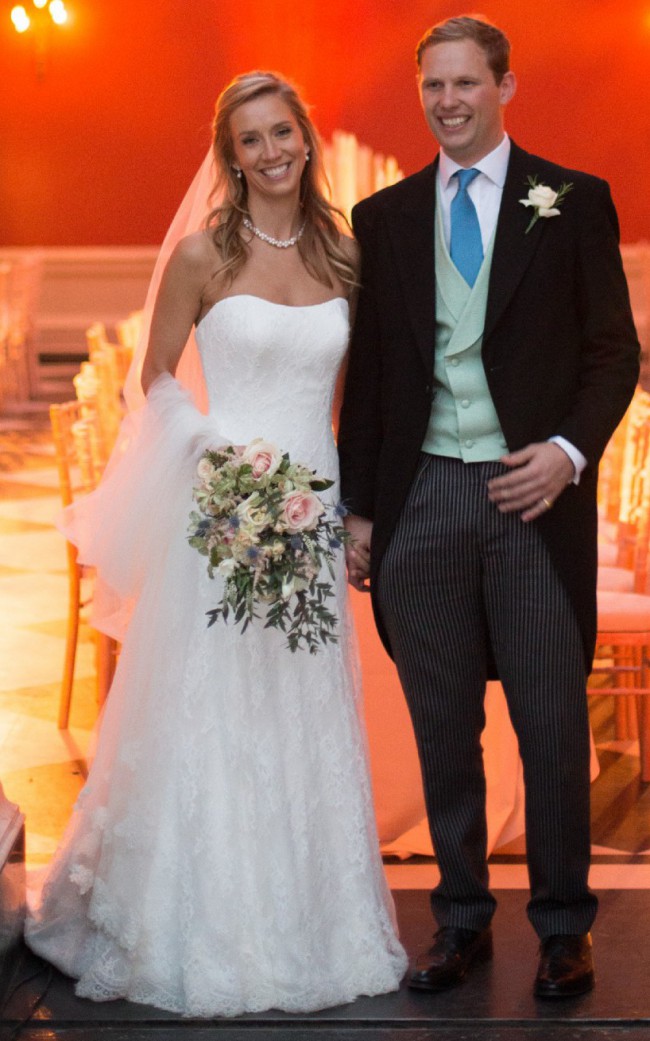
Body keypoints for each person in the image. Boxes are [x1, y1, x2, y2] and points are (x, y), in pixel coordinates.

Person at [25, 71, 407, 1017]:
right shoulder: (203, 253)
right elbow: (153, 380)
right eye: (250, 140)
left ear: (305, 139)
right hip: (222, 511)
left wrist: (353, 509)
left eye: (282, 133)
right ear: (230, 158)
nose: (271, 151)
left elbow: (366, 396)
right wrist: (212, 451)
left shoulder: (346, 254)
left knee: (301, 710)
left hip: (311, 511)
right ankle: (193, 922)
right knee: (214, 708)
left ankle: (310, 925)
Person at [338, 15, 639, 999]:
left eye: (465, 82)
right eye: (433, 85)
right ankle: (460, 917)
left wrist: (564, 454)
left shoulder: (571, 201)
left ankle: (562, 927)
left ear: (504, 87)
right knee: (441, 724)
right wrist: (359, 508)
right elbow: (371, 378)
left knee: (550, 724)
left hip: (530, 498)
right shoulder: (383, 218)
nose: (448, 102)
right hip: (420, 494)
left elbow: (613, 352)